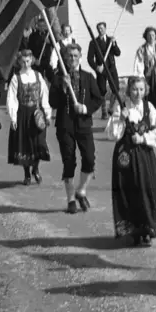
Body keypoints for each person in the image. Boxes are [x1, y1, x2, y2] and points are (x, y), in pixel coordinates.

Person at [106, 76, 156, 246]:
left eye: (141, 89)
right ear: (128, 90)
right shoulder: (121, 106)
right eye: (134, 89)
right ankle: (134, 232)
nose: (138, 93)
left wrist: (144, 138)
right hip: (125, 157)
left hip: (144, 155)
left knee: (148, 190)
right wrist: (121, 119)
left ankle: (147, 229)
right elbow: (113, 134)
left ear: (145, 90)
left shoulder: (149, 107)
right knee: (129, 192)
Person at [54, 43, 103, 213]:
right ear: (65, 59)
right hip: (65, 125)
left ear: (80, 57)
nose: (73, 59)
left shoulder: (88, 77)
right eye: (70, 56)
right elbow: (52, 102)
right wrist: (63, 87)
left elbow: (98, 99)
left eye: (75, 56)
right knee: (69, 161)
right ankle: (70, 200)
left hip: (83, 124)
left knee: (89, 159)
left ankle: (81, 190)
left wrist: (85, 108)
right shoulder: (58, 77)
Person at [6, 49, 52, 185]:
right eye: (23, 61)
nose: (26, 64)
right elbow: (11, 99)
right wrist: (13, 118)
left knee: (39, 143)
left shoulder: (38, 76)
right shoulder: (16, 78)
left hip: (37, 114)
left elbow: (45, 95)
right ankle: (27, 174)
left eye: (28, 61)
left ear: (32, 60)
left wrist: (48, 114)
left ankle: (36, 169)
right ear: (19, 62)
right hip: (23, 114)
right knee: (25, 145)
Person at [87, 22, 121, 120]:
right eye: (98, 29)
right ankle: (104, 111)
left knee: (116, 89)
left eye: (102, 28)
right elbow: (89, 58)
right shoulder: (93, 42)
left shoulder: (111, 40)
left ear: (105, 29)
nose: (100, 30)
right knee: (101, 90)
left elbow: (118, 53)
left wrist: (114, 44)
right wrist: (96, 67)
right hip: (101, 70)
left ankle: (111, 108)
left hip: (111, 68)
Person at [134, 26, 156, 116]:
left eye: (153, 35)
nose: (151, 37)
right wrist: (140, 76)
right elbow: (139, 63)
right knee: (148, 94)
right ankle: (148, 113)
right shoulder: (141, 49)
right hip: (148, 74)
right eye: (149, 35)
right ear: (146, 36)